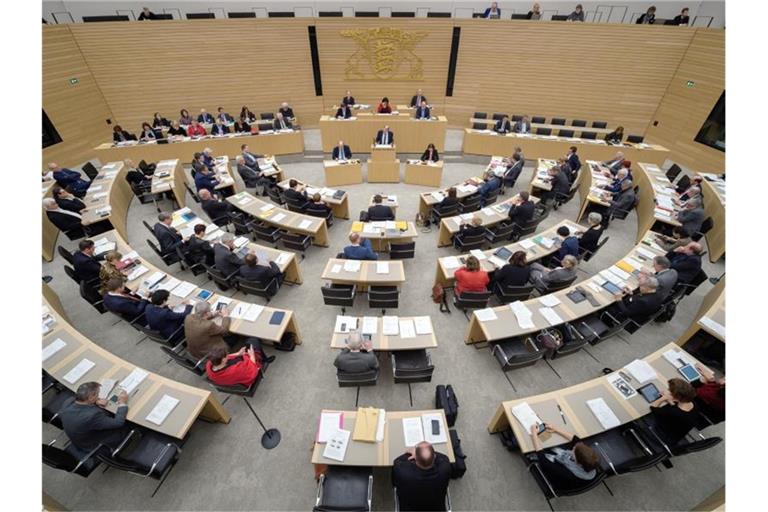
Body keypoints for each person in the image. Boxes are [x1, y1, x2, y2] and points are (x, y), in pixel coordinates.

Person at [59, 382, 130, 453]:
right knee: (129, 423)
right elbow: (118, 422)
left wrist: (95, 401)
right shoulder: (92, 416)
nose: (99, 396)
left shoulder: (68, 402)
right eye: (97, 394)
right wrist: (122, 403)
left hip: (81, 437)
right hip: (94, 444)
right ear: (90, 398)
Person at [529, 423, 600, 488]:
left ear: (577, 461)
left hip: (559, 480)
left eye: (573, 450)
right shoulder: (590, 461)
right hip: (568, 464)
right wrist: (555, 429)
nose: (574, 447)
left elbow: (543, 459)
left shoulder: (566, 473)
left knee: (535, 449)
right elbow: (576, 440)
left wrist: (534, 434)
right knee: (554, 443)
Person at [391, 441, 451, 511]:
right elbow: (443, 457)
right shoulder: (444, 468)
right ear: (434, 456)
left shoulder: (402, 472)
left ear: (415, 458)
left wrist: (412, 453)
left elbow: (397, 461)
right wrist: (429, 453)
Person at [649, 378, 699, 445]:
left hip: (663, 437)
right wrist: (670, 400)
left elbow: (653, 407)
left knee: (645, 416)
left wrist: (663, 398)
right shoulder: (693, 403)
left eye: (670, 390)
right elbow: (678, 409)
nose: (668, 391)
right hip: (676, 432)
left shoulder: (674, 412)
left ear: (676, 396)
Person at [206, 345, 271, 387]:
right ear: (223, 360)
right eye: (226, 355)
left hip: (238, 369)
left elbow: (229, 357)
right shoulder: (234, 370)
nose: (228, 355)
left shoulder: (210, 364)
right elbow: (252, 369)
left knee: (250, 343)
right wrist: (251, 355)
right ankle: (265, 360)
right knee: (254, 342)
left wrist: (238, 353)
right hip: (246, 370)